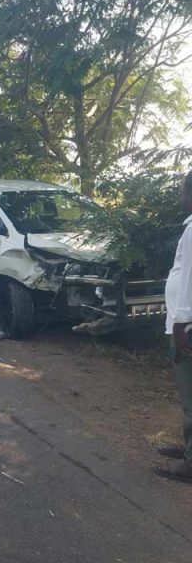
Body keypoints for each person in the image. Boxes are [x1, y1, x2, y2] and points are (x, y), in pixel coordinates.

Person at [154, 171, 192, 483]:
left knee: (191, 397)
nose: (180, 198)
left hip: (188, 328)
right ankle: (189, 448)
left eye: (183, 192)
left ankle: (190, 465)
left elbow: (190, 283)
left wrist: (181, 326)